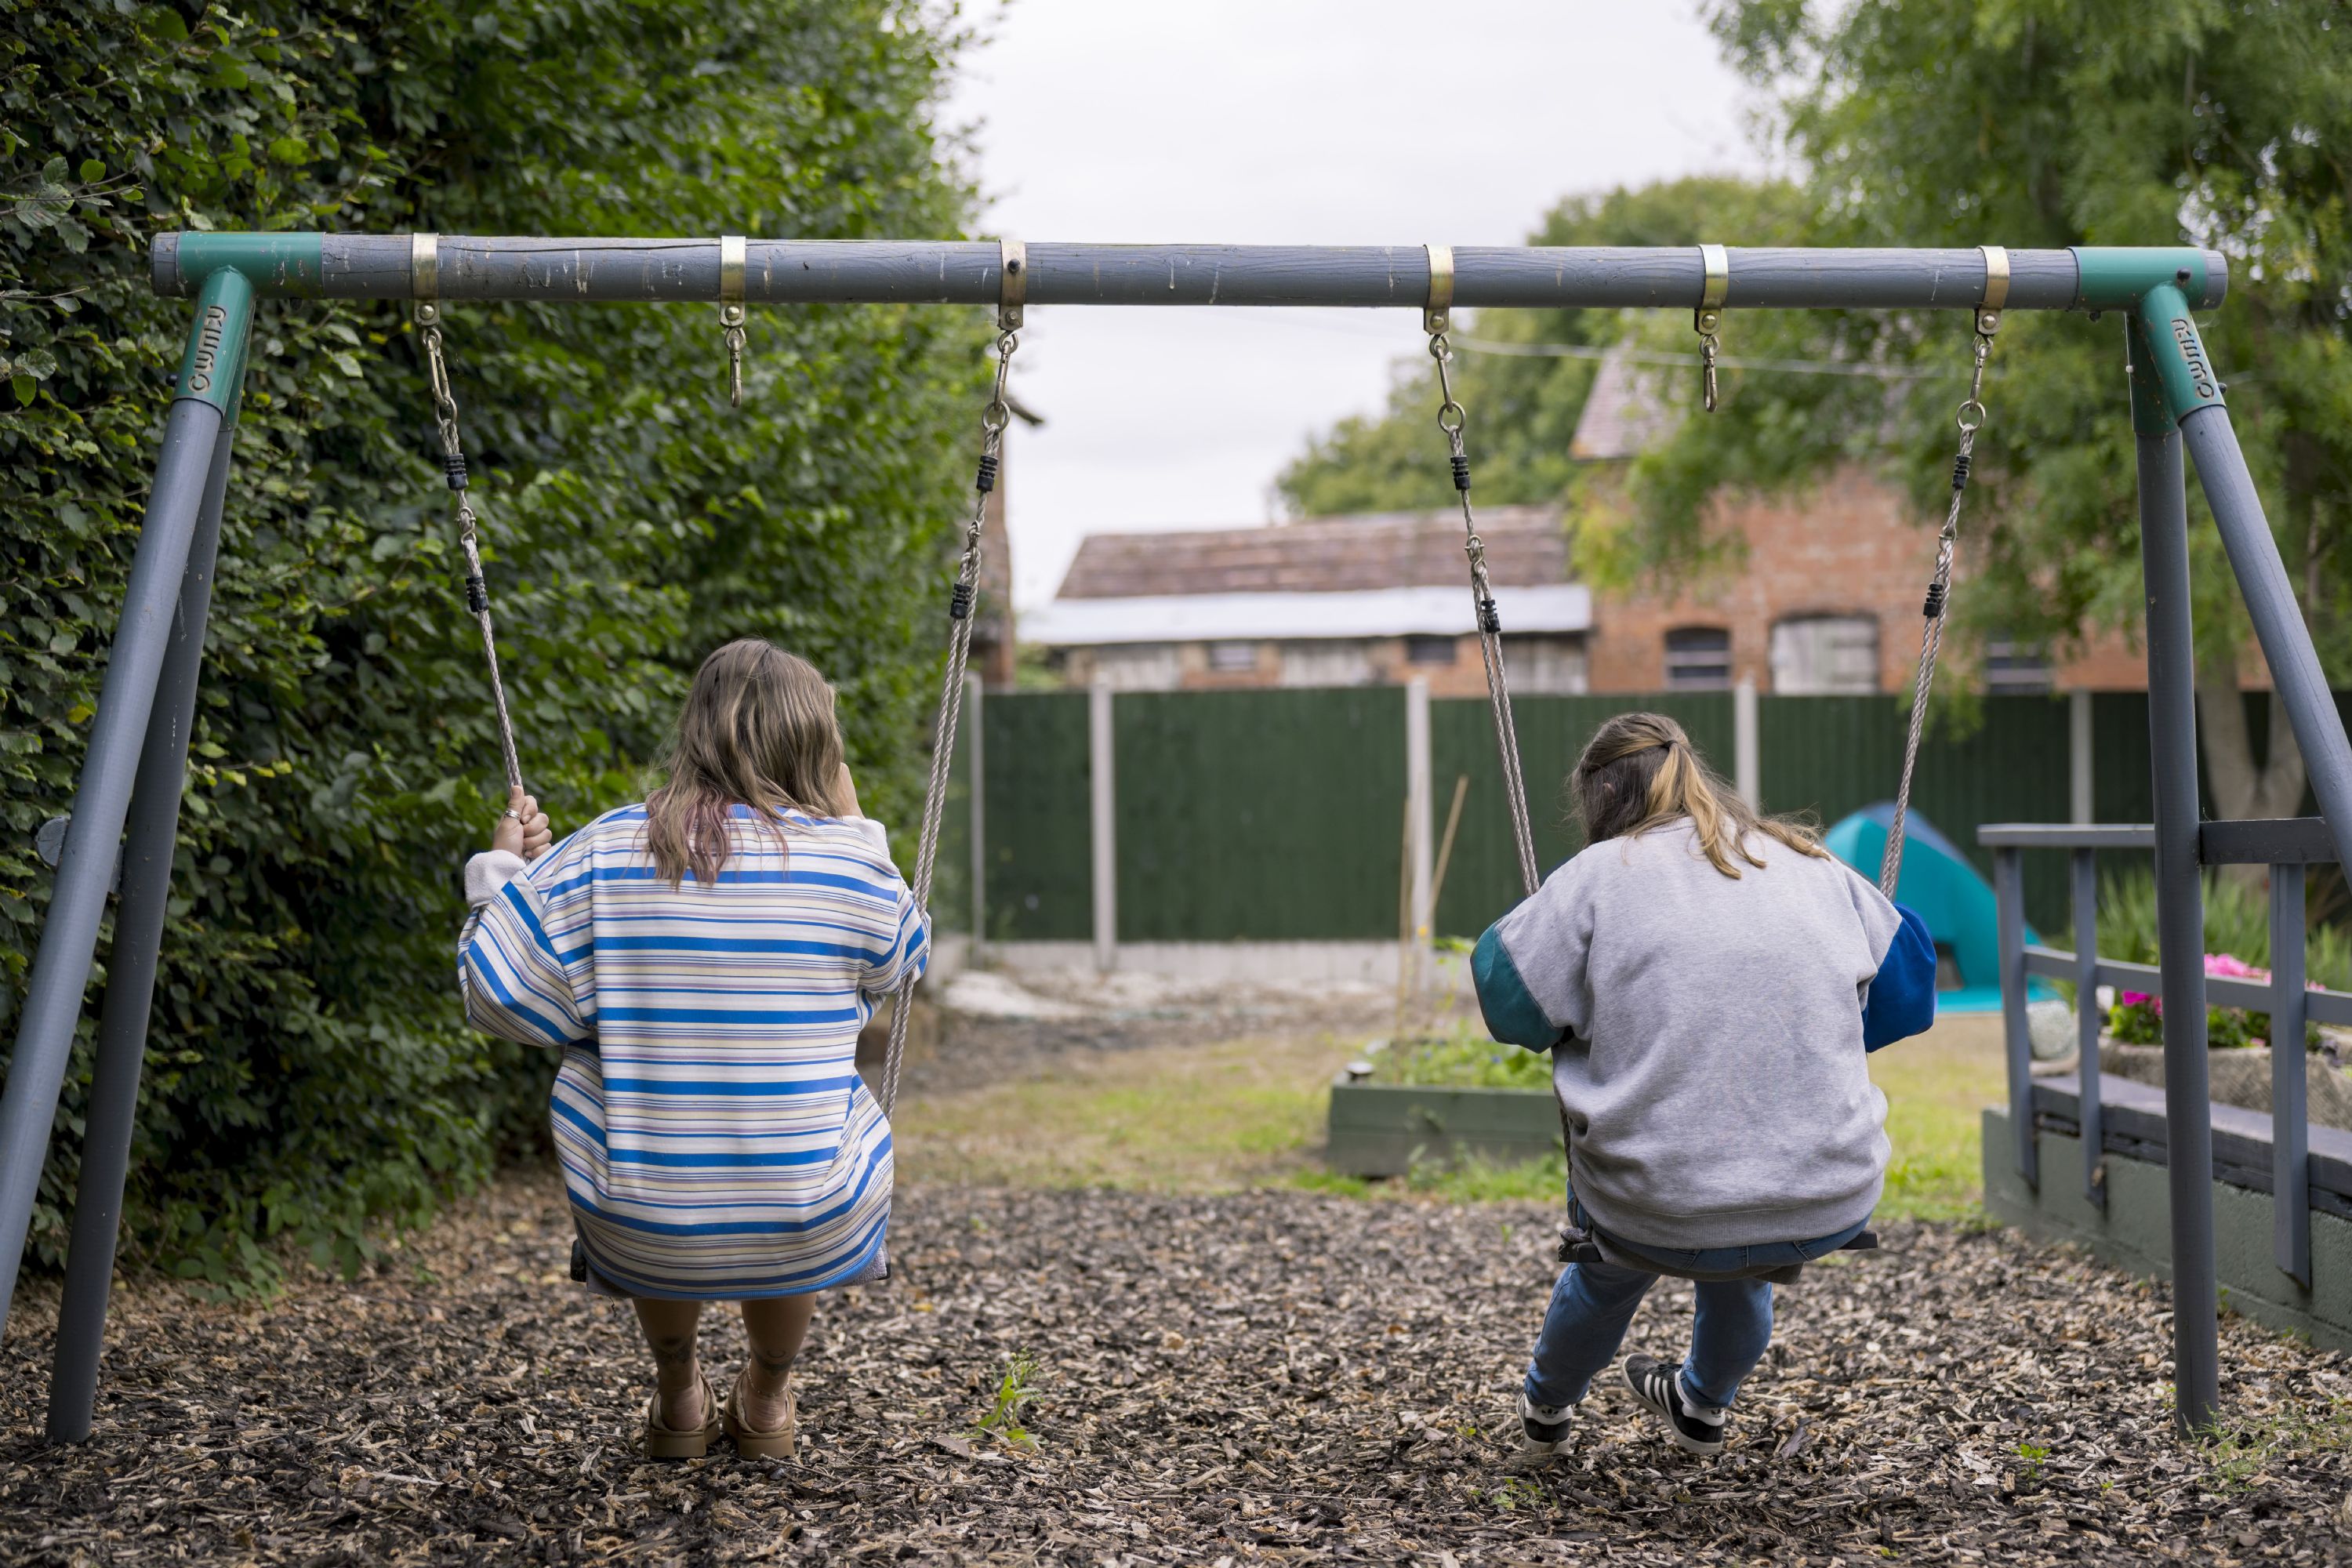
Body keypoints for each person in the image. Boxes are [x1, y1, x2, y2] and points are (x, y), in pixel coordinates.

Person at [458, 638, 927, 1460]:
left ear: (695, 731)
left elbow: (493, 988)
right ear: (819, 746)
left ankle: (679, 1398)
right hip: (810, 1219)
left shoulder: (604, 851)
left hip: (637, 1220)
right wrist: (856, 827)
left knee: (642, 1126)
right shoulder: (845, 866)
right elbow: (903, 957)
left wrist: (508, 870)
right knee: (794, 1161)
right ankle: (769, 1401)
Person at [1472, 711, 1936, 1457]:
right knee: (1741, 1264)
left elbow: (1510, 1003)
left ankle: (1546, 1415)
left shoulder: (1598, 876)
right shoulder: (1810, 863)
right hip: (1821, 1191)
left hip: (1654, 1201)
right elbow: (1908, 990)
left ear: (1602, 796)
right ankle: (1702, 1408)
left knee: (1606, 1276)